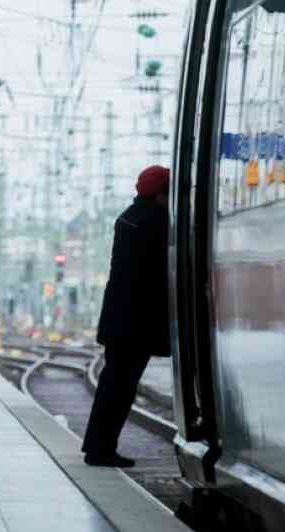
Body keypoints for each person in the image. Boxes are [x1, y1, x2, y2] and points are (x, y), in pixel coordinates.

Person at [82, 165, 171, 467]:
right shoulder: (156, 221)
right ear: (162, 193)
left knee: (112, 385)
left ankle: (96, 446)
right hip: (136, 323)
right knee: (120, 389)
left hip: (119, 319)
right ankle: (101, 450)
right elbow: (158, 274)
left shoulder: (128, 217)